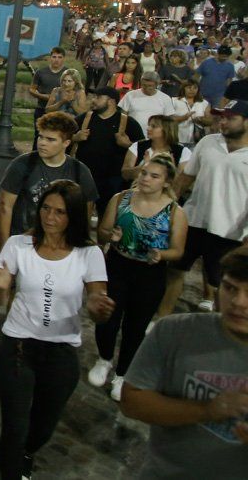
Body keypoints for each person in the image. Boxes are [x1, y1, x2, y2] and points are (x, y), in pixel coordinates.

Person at [0, 180, 114, 480]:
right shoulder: (18, 245)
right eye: (45, 208)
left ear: (74, 217)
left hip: (61, 350)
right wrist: (0, 289)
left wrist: (98, 308)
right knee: (15, 426)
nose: (50, 217)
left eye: (60, 212)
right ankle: (12, 468)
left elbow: (97, 301)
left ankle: (28, 452)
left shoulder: (89, 254)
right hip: (18, 347)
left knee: (43, 426)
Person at [120, 247, 248, 477]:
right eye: (230, 288)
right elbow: (132, 401)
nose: (238, 302)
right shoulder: (174, 331)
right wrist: (208, 410)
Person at [90, 156, 188, 402]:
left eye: (154, 176)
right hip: (117, 265)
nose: (145, 179)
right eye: (144, 172)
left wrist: (162, 254)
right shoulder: (120, 199)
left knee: (135, 326)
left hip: (149, 274)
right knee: (107, 318)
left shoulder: (174, 212)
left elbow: (178, 250)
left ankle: (123, 374)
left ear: (166, 182)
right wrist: (109, 236)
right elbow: (101, 231)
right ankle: (104, 359)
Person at [158, 100, 248, 317]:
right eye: (221, 117)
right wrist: (166, 208)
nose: (223, 122)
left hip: (229, 232)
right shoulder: (208, 142)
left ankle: (219, 330)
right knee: (175, 271)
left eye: (230, 118)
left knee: (222, 284)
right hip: (193, 221)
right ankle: (160, 322)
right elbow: (185, 179)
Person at [0, 112, 99, 246]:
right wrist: (5, 247)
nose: (42, 143)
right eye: (41, 137)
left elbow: (85, 215)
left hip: (61, 245)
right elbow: (5, 208)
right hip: (23, 242)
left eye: (50, 139)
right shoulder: (22, 164)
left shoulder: (80, 171)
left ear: (66, 143)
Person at [72, 87, 143, 210]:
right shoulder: (85, 118)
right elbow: (63, 136)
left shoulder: (129, 123)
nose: (93, 100)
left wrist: (128, 144)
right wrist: (75, 137)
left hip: (112, 181)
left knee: (107, 214)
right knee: (79, 213)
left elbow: (142, 149)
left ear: (111, 101)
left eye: (98, 97)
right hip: (84, 176)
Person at [120, 114, 191, 184]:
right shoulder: (137, 146)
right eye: (149, 125)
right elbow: (125, 174)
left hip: (166, 194)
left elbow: (182, 182)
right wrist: (143, 167)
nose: (148, 128)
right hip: (136, 191)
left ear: (167, 129)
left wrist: (171, 170)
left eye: (154, 126)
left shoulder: (183, 151)